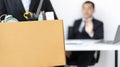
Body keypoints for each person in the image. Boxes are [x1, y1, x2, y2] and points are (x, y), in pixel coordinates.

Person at [66, 1, 104, 67]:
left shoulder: (98, 23)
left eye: (89, 8)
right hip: (75, 50)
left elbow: (100, 39)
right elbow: (70, 37)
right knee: (58, 56)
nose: (86, 11)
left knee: (84, 57)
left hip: (88, 51)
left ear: (93, 10)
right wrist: (67, 49)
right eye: (84, 8)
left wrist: (91, 33)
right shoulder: (76, 22)